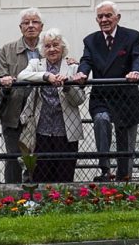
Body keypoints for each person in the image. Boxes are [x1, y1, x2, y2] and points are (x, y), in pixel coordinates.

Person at [75, 1, 139, 181]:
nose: (104, 20)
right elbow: (86, 60)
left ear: (117, 17)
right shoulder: (91, 40)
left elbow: (137, 57)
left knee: (125, 141)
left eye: (108, 16)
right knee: (101, 120)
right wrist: (81, 73)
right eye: (100, 16)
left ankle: (124, 175)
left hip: (125, 96)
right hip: (102, 96)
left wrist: (136, 71)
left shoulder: (131, 36)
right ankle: (105, 169)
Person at [17, 28, 86, 182]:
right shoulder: (36, 64)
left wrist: (67, 86)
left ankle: (64, 204)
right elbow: (22, 76)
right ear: (42, 49)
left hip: (66, 131)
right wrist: (46, 76)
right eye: (47, 46)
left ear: (63, 48)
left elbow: (79, 100)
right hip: (41, 130)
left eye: (56, 45)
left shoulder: (73, 67)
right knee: (41, 175)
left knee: (65, 176)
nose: (52, 49)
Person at [0, 8, 44, 183]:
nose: (30, 26)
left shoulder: (49, 48)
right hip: (13, 113)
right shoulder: (6, 50)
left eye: (35, 22)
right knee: (14, 158)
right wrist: (6, 84)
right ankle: (12, 196)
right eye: (26, 22)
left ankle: (37, 195)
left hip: (41, 115)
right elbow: (0, 80)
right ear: (20, 27)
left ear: (41, 26)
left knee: (38, 159)